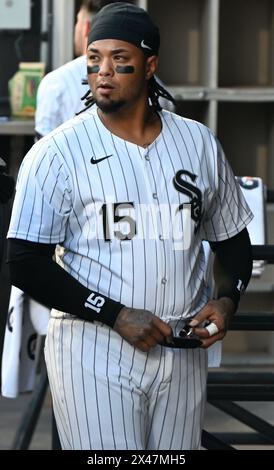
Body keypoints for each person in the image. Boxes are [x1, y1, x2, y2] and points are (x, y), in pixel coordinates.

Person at [7, 2, 253, 450]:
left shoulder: (198, 143)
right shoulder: (58, 153)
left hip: (181, 350)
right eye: (94, 59)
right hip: (92, 348)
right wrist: (114, 313)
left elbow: (233, 239)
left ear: (149, 66)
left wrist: (227, 300)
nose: (104, 71)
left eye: (120, 61)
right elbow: (24, 262)